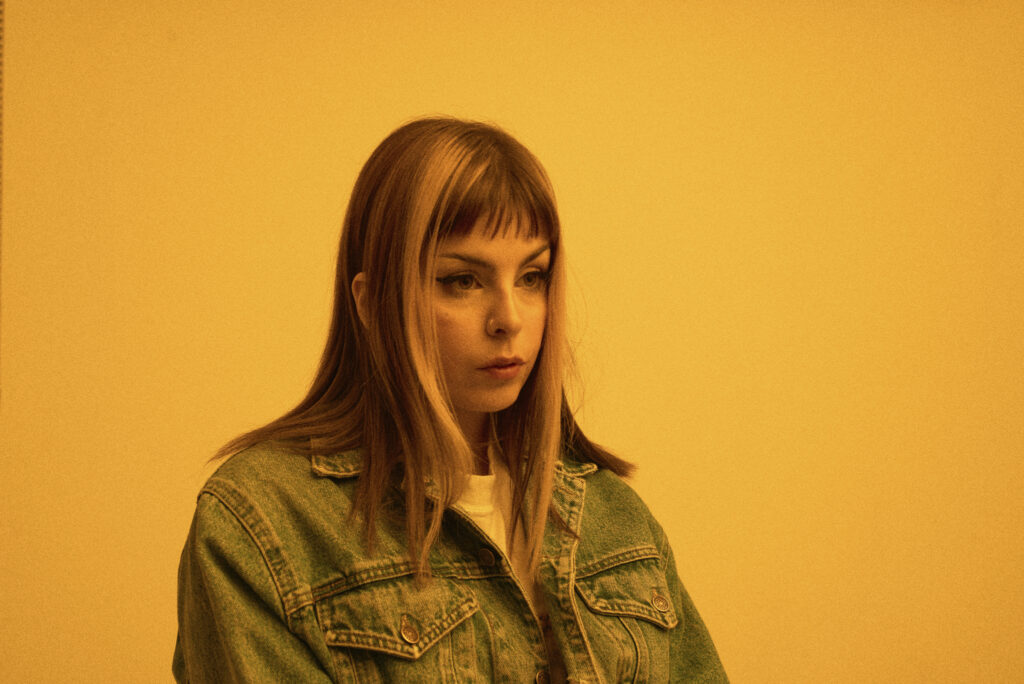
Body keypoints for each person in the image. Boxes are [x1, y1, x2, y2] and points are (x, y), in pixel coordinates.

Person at [173, 117, 728, 683]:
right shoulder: (264, 520)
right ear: (373, 302)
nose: (509, 318)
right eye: (463, 281)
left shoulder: (613, 516)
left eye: (531, 277)